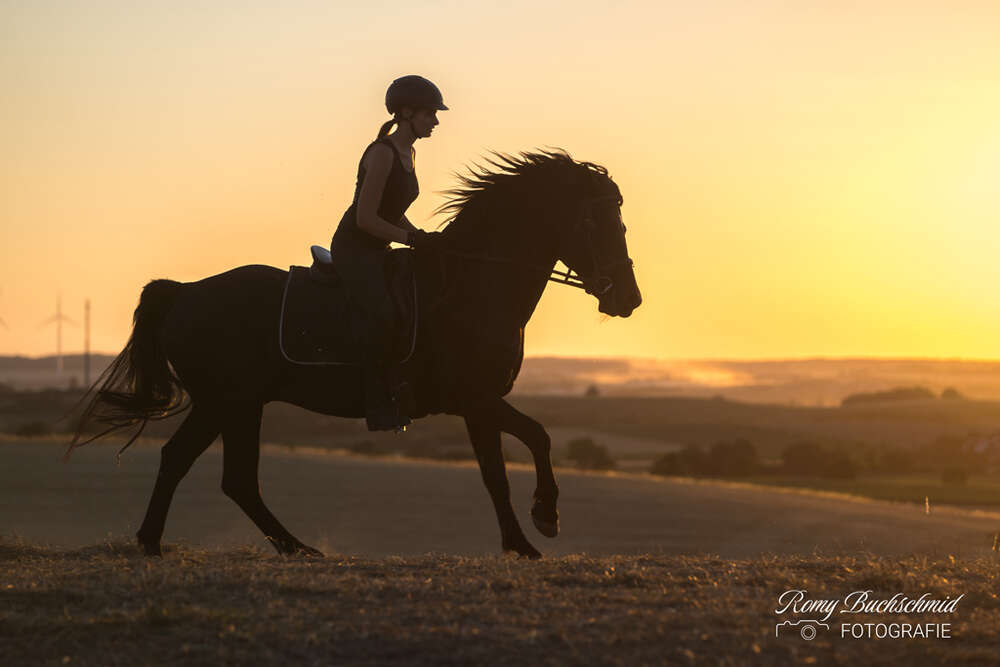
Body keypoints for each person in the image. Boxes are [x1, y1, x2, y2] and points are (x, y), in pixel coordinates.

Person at [330, 75, 447, 431]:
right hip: (355, 248)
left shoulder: (408, 153)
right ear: (407, 112)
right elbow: (366, 218)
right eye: (430, 114)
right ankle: (375, 402)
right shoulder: (381, 153)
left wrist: (419, 235)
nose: (436, 122)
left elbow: (392, 209)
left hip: (379, 246)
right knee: (382, 312)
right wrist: (409, 240)